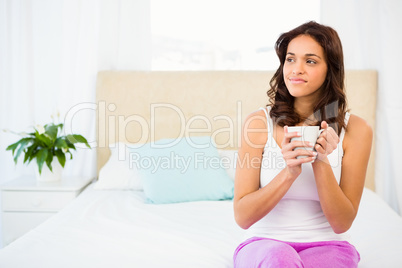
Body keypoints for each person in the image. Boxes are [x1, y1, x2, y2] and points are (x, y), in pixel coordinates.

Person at [233, 21, 372, 268]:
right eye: (290, 59)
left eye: (310, 61)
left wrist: (321, 161)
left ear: (331, 69)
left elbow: (342, 223)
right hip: (264, 242)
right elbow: (243, 217)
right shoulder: (257, 123)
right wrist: (289, 173)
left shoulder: (357, 130)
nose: (296, 69)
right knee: (279, 260)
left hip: (329, 245)